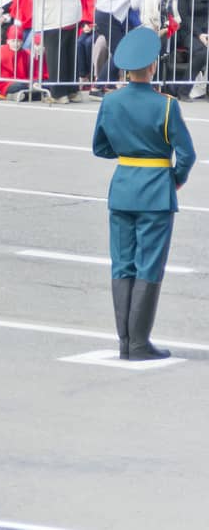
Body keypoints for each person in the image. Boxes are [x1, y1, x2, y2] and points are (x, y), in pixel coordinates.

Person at [92, 27, 195, 361]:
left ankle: (124, 340)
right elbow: (187, 155)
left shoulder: (110, 100)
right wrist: (173, 179)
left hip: (122, 187)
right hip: (155, 191)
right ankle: (138, 343)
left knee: (122, 263)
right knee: (148, 265)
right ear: (153, 66)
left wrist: (128, 152)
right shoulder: (165, 106)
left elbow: (100, 147)